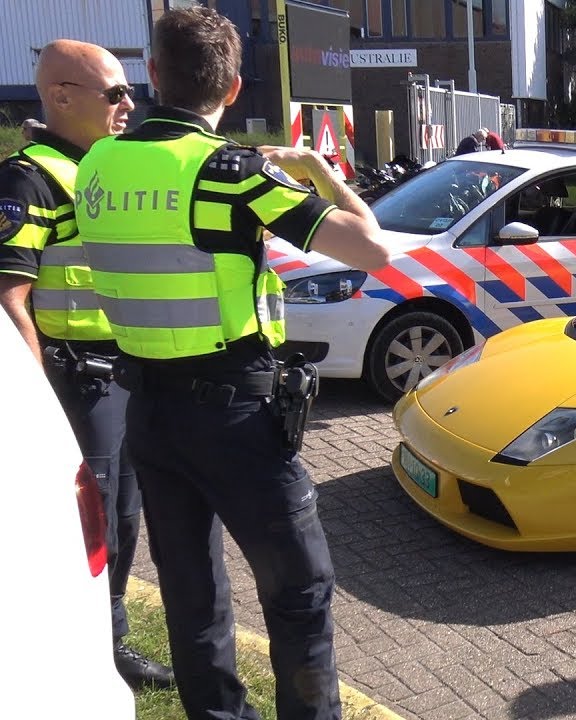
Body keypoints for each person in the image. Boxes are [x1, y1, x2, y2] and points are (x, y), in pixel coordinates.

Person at [73, 8, 390, 719]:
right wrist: (323, 176)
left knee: (191, 592)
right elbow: (374, 250)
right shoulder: (231, 174)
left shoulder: (96, 164)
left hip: (147, 413)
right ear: (236, 87)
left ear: (152, 74)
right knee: (299, 590)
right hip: (235, 416)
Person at [0, 39, 175, 691]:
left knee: (123, 517)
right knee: (89, 521)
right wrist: (35, 405)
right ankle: (82, 650)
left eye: (131, 90)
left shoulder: (101, 170)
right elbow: (9, 299)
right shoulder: (28, 177)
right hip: (76, 385)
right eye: (115, 92)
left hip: (122, 375)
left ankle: (109, 638)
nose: (128, 103)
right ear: (61, 95)